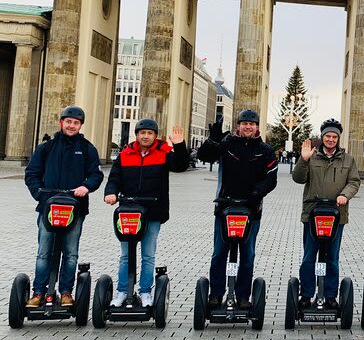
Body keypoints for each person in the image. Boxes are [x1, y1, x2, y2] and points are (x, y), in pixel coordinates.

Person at [197, 109, 278, 309]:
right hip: (225, 207)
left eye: (251, 124)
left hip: (251, 209)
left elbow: (272, 177)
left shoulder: (265, 149)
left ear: (257, 127)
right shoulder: (228, 144)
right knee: (219, 253)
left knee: (247, 254)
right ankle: (216, 293)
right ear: (238, 126)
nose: (248, 127)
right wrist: (213, 140)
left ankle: (243, 296)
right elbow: (205, 156)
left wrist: (258, 192)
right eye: (244, 123)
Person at [24, 106, 104, 307]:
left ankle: (66, 292)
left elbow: (96, 174)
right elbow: (31, 174)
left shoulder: (87, 148)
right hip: (47, 208)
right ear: (61, 123)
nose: (71, 125)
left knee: (70, 252)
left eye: (76, 123)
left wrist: (86, 187)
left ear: (80, 125)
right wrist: (39, 194)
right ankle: (39, 292)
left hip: (74, 209)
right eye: (68, 122)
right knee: (44, 252)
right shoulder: (46, 148)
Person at [103, 119, 189, 307]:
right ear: (137, 135)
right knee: (126, 255)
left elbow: (181, 166)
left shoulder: (164, 152)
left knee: (148, 255)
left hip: (153, 211)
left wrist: (179, 145)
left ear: (155, 136)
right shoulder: (125, 153)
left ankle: (145, 292)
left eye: (150, 133)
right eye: (142, 133)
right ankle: (122, 291)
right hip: (128, 212)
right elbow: (114, 177)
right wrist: (110, 193)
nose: (145, 136)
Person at [292, 119, 361, 309]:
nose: (331, 140)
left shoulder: (347, 159)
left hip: (336, 215)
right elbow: (298, 178)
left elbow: (354, 182)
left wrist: (344, 196)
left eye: (334, 137)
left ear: (338, 138)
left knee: (332, 257)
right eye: (327, 136)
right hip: (312, 214)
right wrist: (303, 160)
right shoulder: (311, 156)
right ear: (322, 137)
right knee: (309, 257)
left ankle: (330, 295)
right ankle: (306, 294)